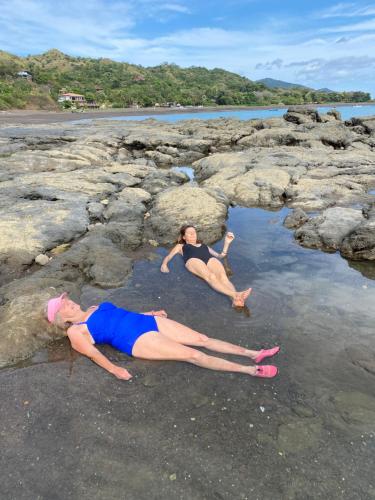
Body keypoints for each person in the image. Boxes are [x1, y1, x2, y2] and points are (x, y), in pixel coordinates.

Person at [46, 293, 279, 380]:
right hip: (135, 340)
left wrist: (151, 313)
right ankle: (250, 370)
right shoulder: (75, 331)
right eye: (63, 304)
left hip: (147, 321)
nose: (69, 302)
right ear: (61, 318)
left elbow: (124, 314)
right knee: (193, 354)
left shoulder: (95, 306)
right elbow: (93, 353)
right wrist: (114, 370)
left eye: (66, 299)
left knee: (202, 339)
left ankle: (254, 354)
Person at [160, 225, 251, 307]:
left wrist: (227, 243)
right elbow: (169, 256)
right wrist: (164, 264)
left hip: (209, 259)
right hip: (193, 260)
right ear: (184, 237)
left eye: (194, 232)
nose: (193, 234)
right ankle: (235, 295)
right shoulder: (180, 246)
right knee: (211, 276)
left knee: (223, 277)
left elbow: (220, 256)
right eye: (189, 233)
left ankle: (235, 301)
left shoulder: (204, 245)